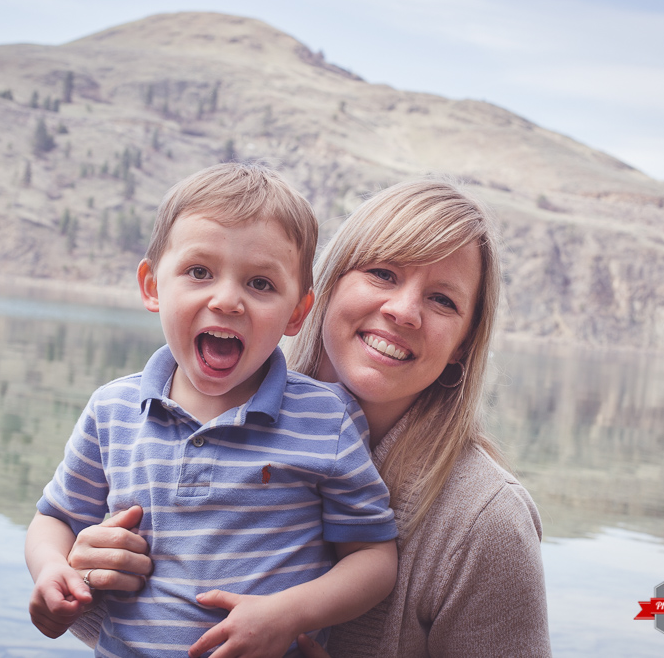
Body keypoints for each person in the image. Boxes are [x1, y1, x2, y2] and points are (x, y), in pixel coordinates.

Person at [66, 178, 552, 657]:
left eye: (442, 300)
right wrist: (87, 571)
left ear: (463, 344)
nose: (404, 311)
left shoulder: (487, 521)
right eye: (383, 273)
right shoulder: (172, 411)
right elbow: (143, 629)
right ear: (327, 287)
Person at [25, 162, 399, 658]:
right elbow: (54, 519)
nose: (227, 300)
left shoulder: (325, 419)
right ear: (152, 285)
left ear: (297, 312)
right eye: (199, 272)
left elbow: (374, 558)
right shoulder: (112, 410)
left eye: (260, 284)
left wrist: (291, 613)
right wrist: (53, 569)